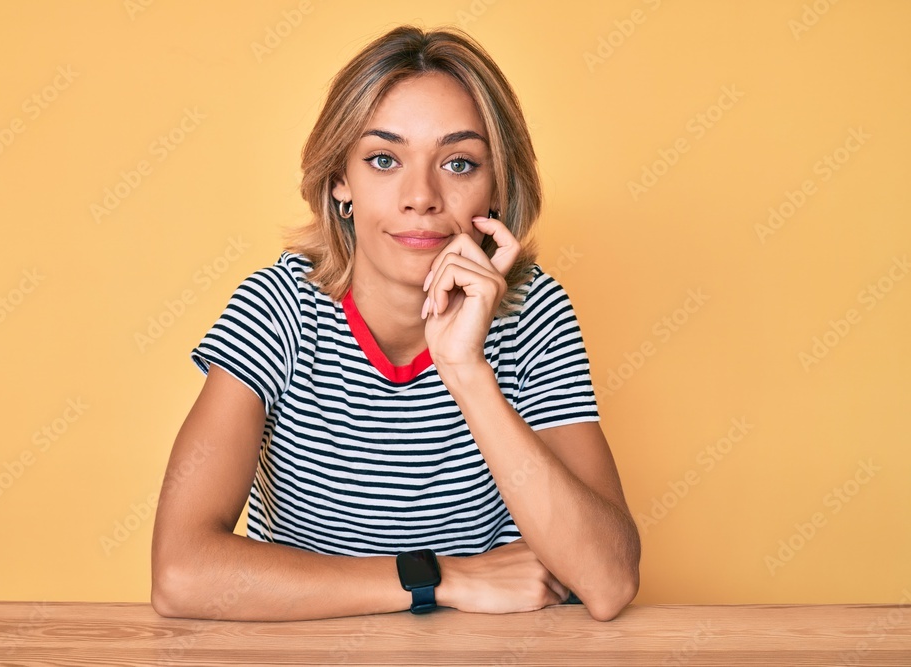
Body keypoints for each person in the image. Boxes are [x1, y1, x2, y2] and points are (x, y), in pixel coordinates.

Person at [151, 24, 640, 623]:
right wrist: (441, 578)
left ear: (495, 189)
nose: (421, 196)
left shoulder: (533, 312)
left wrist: (465, 370)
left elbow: (608, 580)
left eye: (458, 163)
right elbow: (181, 574)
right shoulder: (279, 308)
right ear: (341, 182)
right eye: (384, 159)